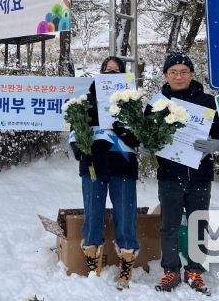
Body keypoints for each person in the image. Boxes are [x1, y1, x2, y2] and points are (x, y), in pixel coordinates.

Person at [148, 51, 219, 296]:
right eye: (173, 72)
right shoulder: (156, 103)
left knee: (198, 224)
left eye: (183, 72)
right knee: (168, 225)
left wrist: (217, 144)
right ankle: (171, 270)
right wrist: (145, 145)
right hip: (169, 174)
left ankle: (194, 271)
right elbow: (145, 133)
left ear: (191, 74)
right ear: (165, 75)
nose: (178, 76)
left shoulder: (208, 102)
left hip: (200, 174)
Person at [70, 56, 140, 290]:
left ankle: (126, 263)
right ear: (100, 73)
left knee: (125, 216)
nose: (111, 73)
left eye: (116, 70)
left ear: (123, 75)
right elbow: (74, 130)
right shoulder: (86, 101)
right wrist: (79, 148)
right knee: (92, 214)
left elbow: (141, 137)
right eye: (107, 70)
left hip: (123, 165)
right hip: (93, 165)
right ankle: (93, 262)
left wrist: (126, 132)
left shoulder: (131, 103)